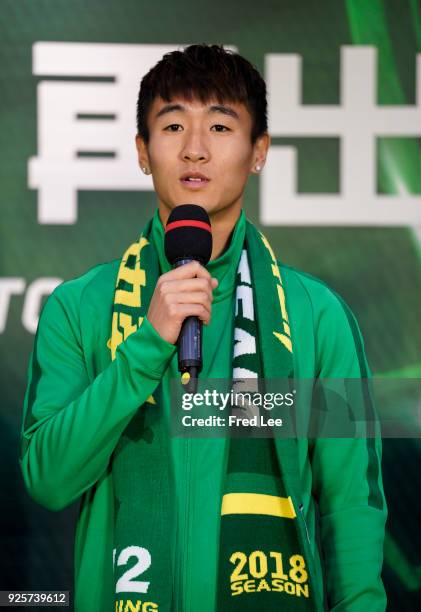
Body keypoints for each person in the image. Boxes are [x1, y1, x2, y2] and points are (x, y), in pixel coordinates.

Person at [20, 44, 387, 612]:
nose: (194, 149)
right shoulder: (79, 307)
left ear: (258, 150)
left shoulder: (316, 314)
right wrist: (147, 344)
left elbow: (350, 506)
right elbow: (47, 478)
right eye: (172, 126)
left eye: (220, 125)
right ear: (143, 152)